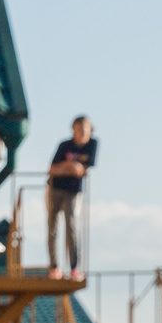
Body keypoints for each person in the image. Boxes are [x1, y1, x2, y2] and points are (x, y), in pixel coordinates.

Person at [45, 116, 96, 280]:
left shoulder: (92, 145)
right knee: (52, 227)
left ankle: (74, 267)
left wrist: (67, 167)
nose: (81, 133)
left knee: (71, 226)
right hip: (54, 188)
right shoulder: (64, 145)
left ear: (90, 130)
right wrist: (71, 166)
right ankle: (54, 267)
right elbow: (52, 169)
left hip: (73, 192)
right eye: (78, 129)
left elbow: (82, 170)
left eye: (84, 130)